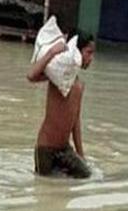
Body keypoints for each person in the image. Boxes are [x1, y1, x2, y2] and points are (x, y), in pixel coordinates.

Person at [27, 30, 96, 178]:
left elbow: (75, 122)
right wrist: (52, 52)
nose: (91, 58)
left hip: (65, 149)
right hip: (45, 149)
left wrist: (81, 154)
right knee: (45, 188)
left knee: (86, 175)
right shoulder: (58, 77)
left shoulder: (79, 86)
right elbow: (31, 76)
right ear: (77, 52)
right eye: (88, 52)